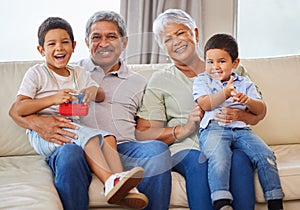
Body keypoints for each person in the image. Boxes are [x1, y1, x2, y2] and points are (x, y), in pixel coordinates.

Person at [10, 11, 172, 210]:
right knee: (70, 153)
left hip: (122, 145)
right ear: (86, 43)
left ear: (124, 41)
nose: (103, 43)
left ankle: (123, 186)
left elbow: (146, 125)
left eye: (111, 36)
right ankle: (111, 181)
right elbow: (17, 110)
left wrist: (180, 128)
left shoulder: (139, 81)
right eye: (96, 37)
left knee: (157, 150)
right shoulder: (70, 69)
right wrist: (38, 123)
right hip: (76, 145)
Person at [136, 9, 265, 210]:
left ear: (195, 34)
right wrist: (184, 129)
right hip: (187, 148)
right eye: (168, 39)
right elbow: (143, 133)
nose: (176, 42)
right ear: (162, 47)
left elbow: (259, 114)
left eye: (180, 33)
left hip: (230, 140)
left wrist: (241, 115)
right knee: (199, 161)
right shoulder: (160, 80)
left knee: (239, 160)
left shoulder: (232, 69)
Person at [193, 33, 284, 210]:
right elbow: (204, 103)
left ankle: (275, 201)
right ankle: (222, 202)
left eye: (221, 61)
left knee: (266, 155)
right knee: (219, 156)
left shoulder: (244, 83)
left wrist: (247, 101)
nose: (215, 67)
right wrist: (225, 93)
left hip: (242, 131)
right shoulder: (202, 80)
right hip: (214, 129)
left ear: (235, 63)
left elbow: (260, 110)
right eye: (210, 62)